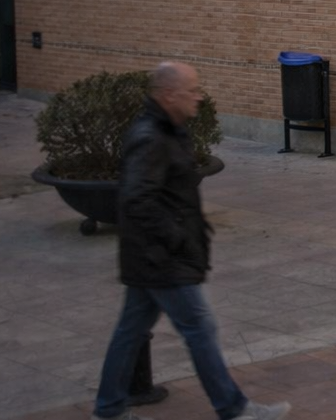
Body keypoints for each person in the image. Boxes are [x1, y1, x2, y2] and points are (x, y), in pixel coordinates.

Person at [91, 62, 290, 420]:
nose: (199, 96)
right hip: (161, 258)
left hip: (153, 255)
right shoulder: (151, 137)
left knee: (130, 331)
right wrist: (177, 236)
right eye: (192, 90)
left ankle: (107, 411)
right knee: (199, 328)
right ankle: (234, 409)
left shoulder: (168, 130)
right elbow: (137, 199)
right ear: (169, 95)